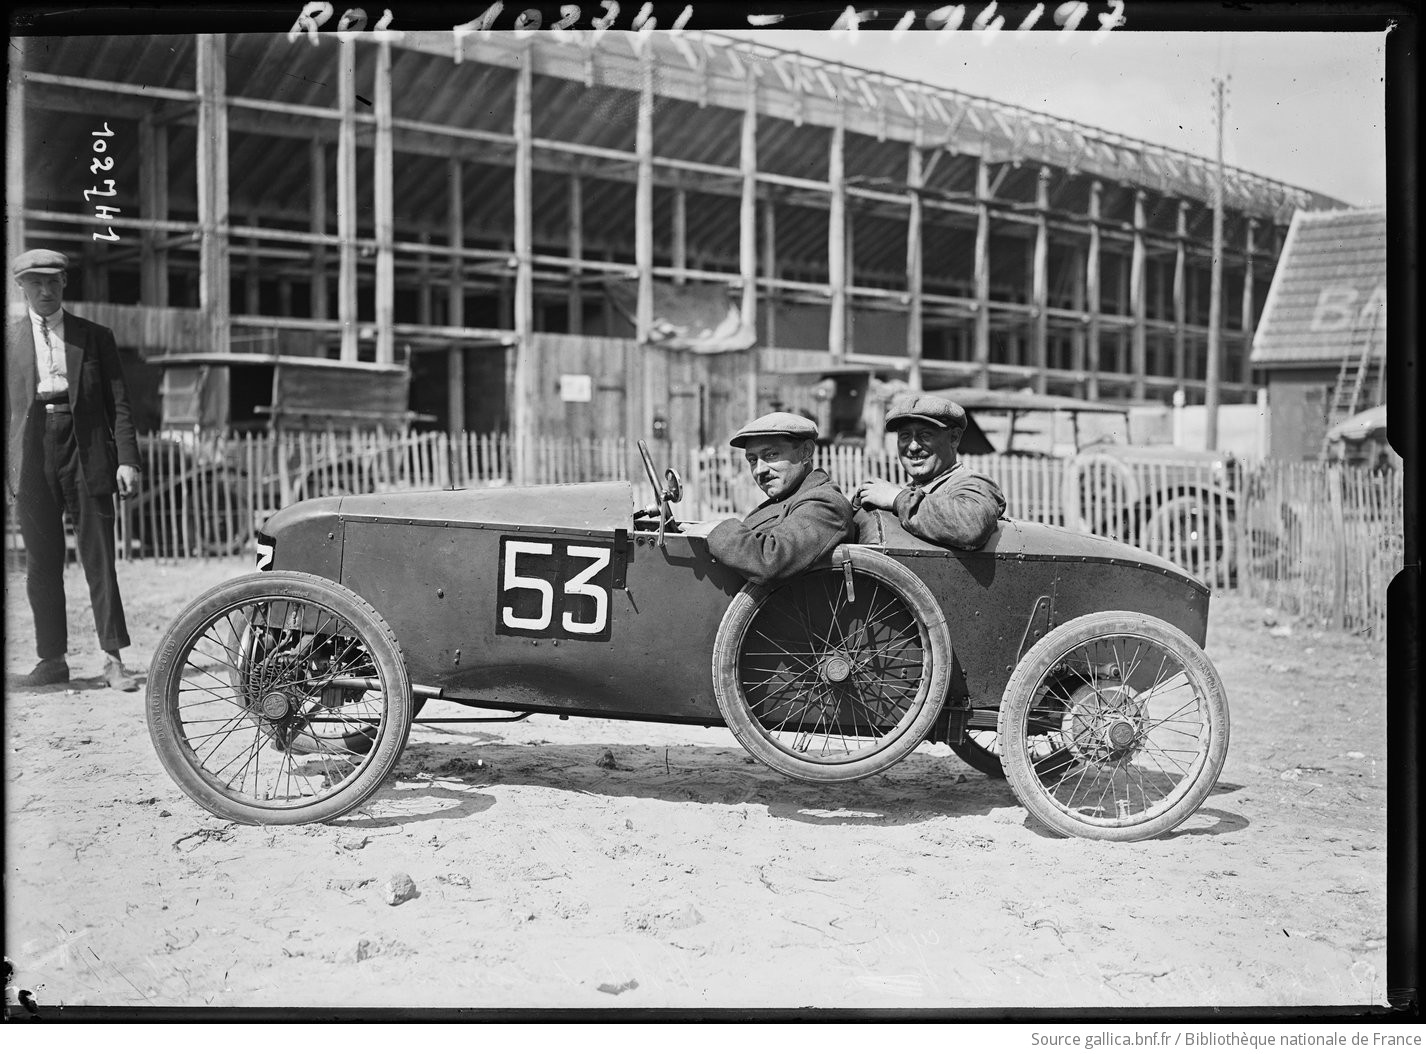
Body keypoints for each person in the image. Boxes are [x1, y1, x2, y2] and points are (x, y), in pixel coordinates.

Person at [6, 248, 142, 690]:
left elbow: (118, 403)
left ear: (64, 284)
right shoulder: (9, 341)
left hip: (87, 450)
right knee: (41, 564)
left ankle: (112, 658)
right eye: (34, 284)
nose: (44, 292)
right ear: (21, 287)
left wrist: (126, 459)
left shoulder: (95, 336)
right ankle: (52, 660)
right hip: (31, 454)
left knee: (99, 558)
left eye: (52, 283)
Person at [693, 412, 853, 586]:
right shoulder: (790, 497)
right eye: (752, 460)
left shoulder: (825, 503)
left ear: (806, 452)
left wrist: (716, 529)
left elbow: (771, 559)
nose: (759, 470)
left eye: (771, 455)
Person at [852, 393, 1006, 550]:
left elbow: (971, 526)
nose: (913, 446)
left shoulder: (973, 483)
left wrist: (897, 498)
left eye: (925, 435)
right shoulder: (907, 491)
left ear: (954, 438)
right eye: (905, 436)